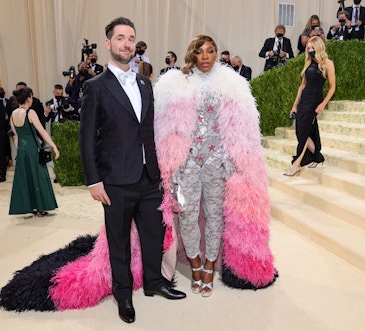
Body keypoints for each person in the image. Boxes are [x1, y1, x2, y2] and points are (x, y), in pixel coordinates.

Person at [79, 16, 186, 324]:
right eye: (120, 38)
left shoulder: (144, 84)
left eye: (131, 38)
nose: (126, 43)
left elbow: (149, 130)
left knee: (153, 234)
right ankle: (123, 293)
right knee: (119, 240)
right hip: (114, 180)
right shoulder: (95, 87)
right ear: (109, 43)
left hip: (148, 177)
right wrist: (93, 180)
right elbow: (87, 139)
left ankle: (154, 282)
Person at [154, 35, 277, 298]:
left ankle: (210, 264)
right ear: (193, 55)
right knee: (186, 215)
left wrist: (235, 163)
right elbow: (166, 128)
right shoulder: (177, 84)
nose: (206, 56)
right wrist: (172, 165)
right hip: (186, 164)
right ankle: (195, 264)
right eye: (200, 52)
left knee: (214, 215)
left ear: (216, 53)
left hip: (216, 164)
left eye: (211, 51)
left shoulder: (231, 84)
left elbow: (241, 128)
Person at [285, 36, 336, 176]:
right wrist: (295, 105)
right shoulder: (308, 62)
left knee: (304, 132)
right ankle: (317, 156)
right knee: (300, 131)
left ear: (319, 47)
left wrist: (322, 104)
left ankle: (296, 164)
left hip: (315, 101)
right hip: (304, 101)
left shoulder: (328, 64)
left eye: (313, 48)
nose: (310, 50)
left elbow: (332, 88)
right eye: (308, 48)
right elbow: (302, 85)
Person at [8, 87, 59, 216]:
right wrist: (54, 146)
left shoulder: (13, 114)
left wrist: (19, 151)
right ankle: (41, 207)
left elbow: (15, 135)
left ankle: (32, 207)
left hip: (21, 149)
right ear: (29, 98)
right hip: (32, 148)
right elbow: (42, 131)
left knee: (26, 178)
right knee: (39, 176)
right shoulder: (30, 113)